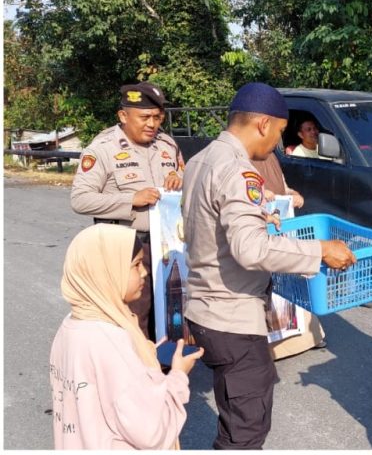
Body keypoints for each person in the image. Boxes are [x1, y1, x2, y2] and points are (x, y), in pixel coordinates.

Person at [182, 81, 356, 450]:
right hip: (231, 317)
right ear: (263, 124)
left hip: (205, 307)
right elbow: (250, 249)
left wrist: (262, 216)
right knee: (246, 432)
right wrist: (319, 250)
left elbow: (215, 224)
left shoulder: (201, 160)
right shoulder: (238, 170)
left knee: (236, 419)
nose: (277, 142)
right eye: (278, 132)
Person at [49, 224, 202, 450]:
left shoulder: (72, 325)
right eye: (136, 265)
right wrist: (178, 376)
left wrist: (144, 354)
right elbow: (150, 431)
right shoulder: (110, 340)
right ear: (106, 272)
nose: (144, 272)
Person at [71, 82, 184, 339]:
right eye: (144, 117)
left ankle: (164, 371)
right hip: (125, 246)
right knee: (134, 315)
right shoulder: (103, 149)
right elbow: (80, 200)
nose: (152, 124)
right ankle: (135, 372)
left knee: (169, 312)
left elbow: (184, 177)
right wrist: (131, 199)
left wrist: (180, 180)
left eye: (157, 117)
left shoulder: (167, 145)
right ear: (123, 116)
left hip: (166, 244)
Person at [252, 152, 327, 358]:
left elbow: (282, 187)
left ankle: (305, 338)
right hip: (257, 237)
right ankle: (265, 349)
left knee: (290, 282)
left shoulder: (271, 157)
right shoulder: (237, 156)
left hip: (280, 226)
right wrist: (259, 194)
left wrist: (293, 195)